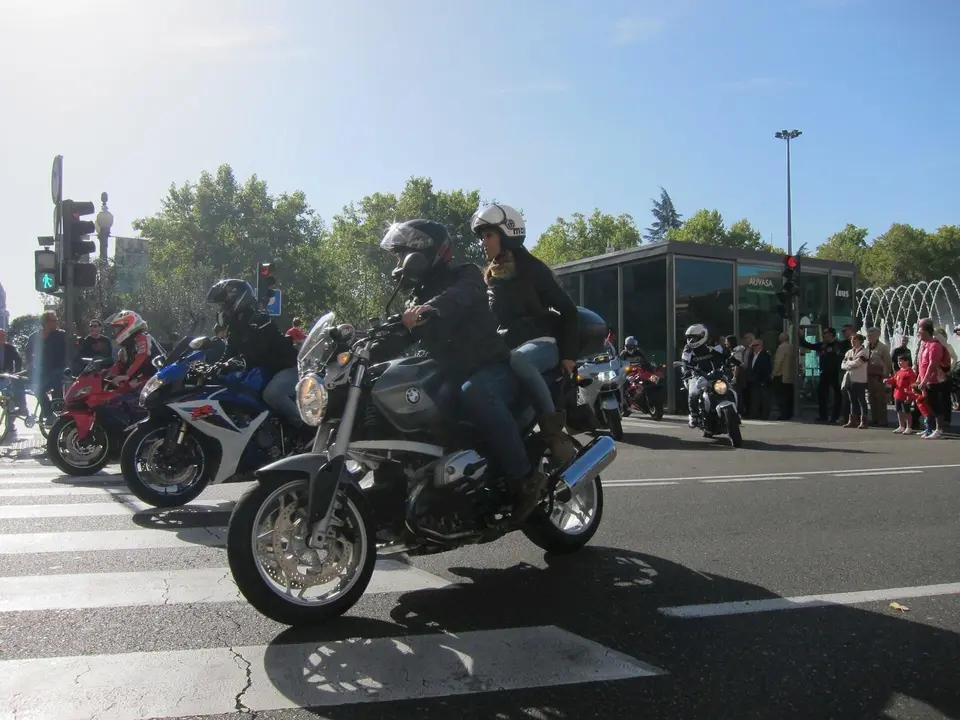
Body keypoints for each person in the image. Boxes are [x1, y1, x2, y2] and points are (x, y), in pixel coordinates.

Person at [376, 218, 547, 520]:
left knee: (476, 393)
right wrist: (361, 348)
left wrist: (431, 308)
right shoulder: (417, 299)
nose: (399, 265)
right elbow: (401, 336)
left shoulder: (465, 275)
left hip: (490, 366)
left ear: (423, 255)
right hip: (451, 373)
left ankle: (525, 478)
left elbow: (460, 295)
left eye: (402, 256)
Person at [471, 203, 579, 465]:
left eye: (488, 236)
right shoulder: (491, 275)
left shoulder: (532, 269)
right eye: (482, 237)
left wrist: (568, 355)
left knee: (520, 360)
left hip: (543, 342)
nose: (483, 243)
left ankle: (553, 430)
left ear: (507, 234)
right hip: (510, 348)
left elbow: (568, 310)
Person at [205, 279, 305, 439]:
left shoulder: (259, 320)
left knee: (273, 393)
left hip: (287, 368)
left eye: (224, 305)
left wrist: (240, 361)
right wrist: (214, 367)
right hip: (267, 371)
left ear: (237, 300)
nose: (222, 309)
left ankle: (306, 428)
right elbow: (229, 351)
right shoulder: (234, 327)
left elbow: (258, 349)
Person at [24, 311, 68, 423]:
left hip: (57, 369)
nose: (57, 322)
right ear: (45, 322)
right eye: (54, 321)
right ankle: (49, 414)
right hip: (42, 370)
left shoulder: (60, 335)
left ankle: (59, 420)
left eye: (57, 320)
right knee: (38, 390)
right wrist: (30, 363)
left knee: (57, 396)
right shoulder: (34, 337)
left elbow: (72, 343)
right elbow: (28, 351)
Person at [680, 324, 726, 427]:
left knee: (729, 386)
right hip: (697, 374)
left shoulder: (713, 344)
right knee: (693, 393)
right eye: (689, 338)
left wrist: (731, 359)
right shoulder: (688, 348)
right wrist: (685, 370)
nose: (691, 340)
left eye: (694, 337)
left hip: (714, 373)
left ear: (702, 336)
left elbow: (723, 354)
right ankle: (694, 415)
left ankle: (736, 409)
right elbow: (684, 361)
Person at [102, 311, 161, 389]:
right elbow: (120, 365)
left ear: (127, 325)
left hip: (158, 379)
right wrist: (105, 373)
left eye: (117, 328)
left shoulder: (142, 337)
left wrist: (127, 375)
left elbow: (143, 355)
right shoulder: (126, 348)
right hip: (145, 381)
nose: (114, 333)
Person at [915, 318, 948, 439]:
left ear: (926, 332)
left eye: (920, 331)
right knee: (930, 404)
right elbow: (922, 364)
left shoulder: (934, 345)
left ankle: (939, 430)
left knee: (935, 405)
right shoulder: (926, 345)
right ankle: (932, 428)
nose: (918, 334)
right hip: (927, 380)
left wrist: (924, 381)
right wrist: (919, 378)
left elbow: (932, 365)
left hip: (935, 381)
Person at [841, 332, 869, 429]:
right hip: (850, 379)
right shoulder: (849, 352)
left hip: (860, 379)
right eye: (851, 339)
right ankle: (852, 420)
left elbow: (858, 363)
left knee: (861, 400)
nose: (852, 341)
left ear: (860, 341)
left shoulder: (864, 351)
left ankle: (864, 421)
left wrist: (848, 363)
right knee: (852, 400)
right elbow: (842, 365)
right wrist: (850, 364)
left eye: (855, 339)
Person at [885, 354, 918, 435]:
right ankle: (901, 426)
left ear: (907, 362)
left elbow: (912, 385)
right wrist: (887, 380)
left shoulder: (910, 373)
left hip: (905, 395)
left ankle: (909, 427)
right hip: (897, 394)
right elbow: (894, 379)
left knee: (907, 411)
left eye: (901, 361)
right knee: (899, 410)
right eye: (898, 361)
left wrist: (910, 395)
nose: (899, 363)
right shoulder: (899, 371)